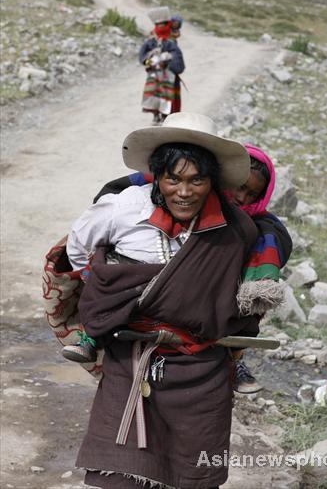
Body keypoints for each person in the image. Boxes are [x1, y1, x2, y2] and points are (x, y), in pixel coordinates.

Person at [64, 112, 285, 489]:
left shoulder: (236, 229)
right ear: (157, 175)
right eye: (174, 178)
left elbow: (240, 297)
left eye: (197, 180)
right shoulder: (123, 208)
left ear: (212, 181)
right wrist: (112, 297)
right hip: (132, 360)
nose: (185, 191)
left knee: (195, 475)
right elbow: (80, 251)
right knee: (121, 475)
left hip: (201, 372)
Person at [63, 143, 291, 395]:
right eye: (173, 179)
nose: (242, 198)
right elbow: (80, 243)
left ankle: (234, 359)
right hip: (130, 334)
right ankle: (93, 335)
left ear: (211, 180)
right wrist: (92, 280)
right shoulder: (128, 203)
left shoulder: (246, 229)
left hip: (199, 342)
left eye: (252, 194)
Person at [139, 6, 185, 125]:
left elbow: (177, 56)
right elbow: (143, 58)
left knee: (168, 95)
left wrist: (169, 60)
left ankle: (166, 117)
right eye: (158, 25)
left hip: (169, 72)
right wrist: (151, 61)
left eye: (163, 24)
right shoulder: (151, 40)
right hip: (155, 72)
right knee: (154, 93)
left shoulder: (171, 40)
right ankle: (156, 115)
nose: (160, 27)